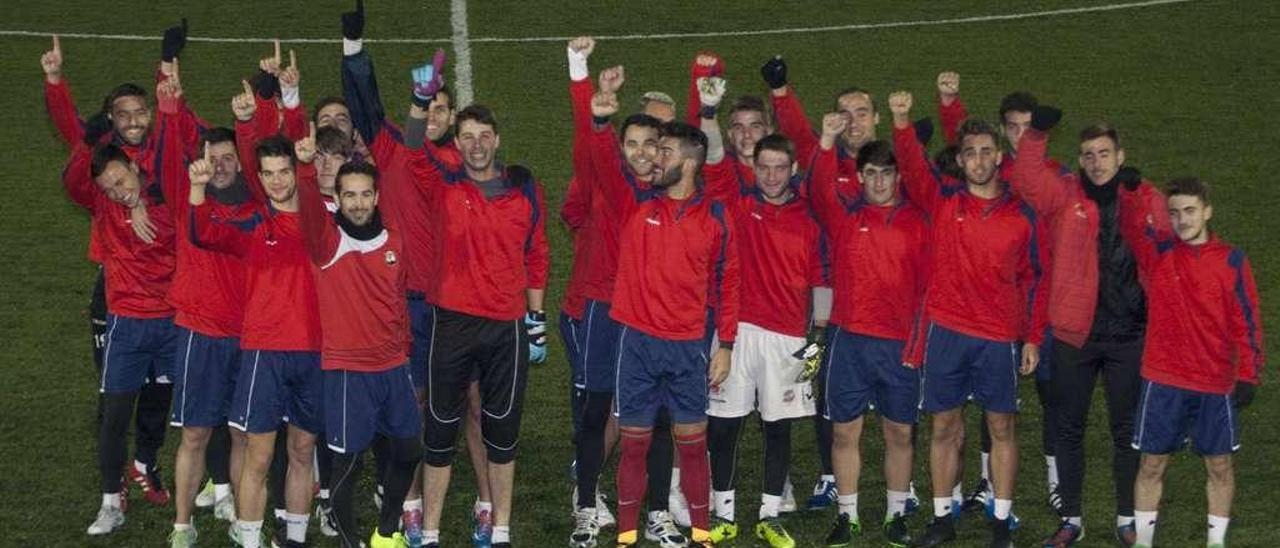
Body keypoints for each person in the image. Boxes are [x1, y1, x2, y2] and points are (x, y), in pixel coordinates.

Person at [43, 29, 198, 513]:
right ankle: (114, 487)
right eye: (123, 116)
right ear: (110, 121)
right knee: (115, 398)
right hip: (118, 294)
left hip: (169, 297)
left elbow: (172, 159)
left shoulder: (156, 156)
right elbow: (77, 157)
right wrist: (55, 84)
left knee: (159, 393)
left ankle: (145, 464)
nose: (133, 122)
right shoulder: (101, 167)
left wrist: (166, 65)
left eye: (140, 113)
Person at [890, 91, 1049, 548]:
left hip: (998, 337)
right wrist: (901, 122)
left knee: (1002, 427)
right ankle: (943, 518)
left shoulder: (1022, 216)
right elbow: (914, 167)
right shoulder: (943, 201)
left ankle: (1001, 519)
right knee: (944, 427)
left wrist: (1034, 338)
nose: (978, 161)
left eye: (985, 152)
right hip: (946, 332)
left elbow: (1036, 279)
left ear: (999, 156)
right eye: (969, 153)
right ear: (959, 160)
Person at [592, 75, 740, 546]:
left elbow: (729, 283)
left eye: (666, 153)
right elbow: (597, 157)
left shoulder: (716, 216)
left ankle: (700, 534)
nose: (655, 158)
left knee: (693, 446)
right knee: (634, 445)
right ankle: (629, 536)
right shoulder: (637, 201)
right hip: (636, 342)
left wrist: (727, 346)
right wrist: (597, 117)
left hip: (688, 347)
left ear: (691, 165)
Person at [405, 67, 550, 545]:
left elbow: (537, 252)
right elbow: (411, 148)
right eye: (467, 137)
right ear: (458, 143)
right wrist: (418, 100)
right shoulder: (445, 186)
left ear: (497, 139)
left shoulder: (524, 188)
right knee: (441, 431)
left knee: (502, 435)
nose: (476, 144)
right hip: (453, 323)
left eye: (484, 135)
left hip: (506, 329)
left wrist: (536, 320)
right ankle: (429, 532)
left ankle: (501, 528)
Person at [695, 75, 826, 548]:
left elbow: (821, 283)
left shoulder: (808, 220)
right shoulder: (737, 200)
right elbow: (711, 157)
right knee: (724, 426)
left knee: (778, 430)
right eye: (764, 167)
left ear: (793, 170)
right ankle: (725, 513)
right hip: (737, 332)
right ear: (755, 169)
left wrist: (816, 345)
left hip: (791, 341)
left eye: (779, 167)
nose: (771, 175)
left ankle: (770, 515)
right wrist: (708, 115)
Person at [1011, 108, 1150, 546]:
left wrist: (1142, 198)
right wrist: (1035, 133)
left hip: (1129, 334)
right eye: (1088, 154)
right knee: (1068, 428)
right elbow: (1025, 179)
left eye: (1104, 153)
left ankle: (1127, 518)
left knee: (1125, 430)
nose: (1096, 162)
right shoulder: (1064, 194)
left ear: (1120, 155)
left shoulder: (1143, 196)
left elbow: (1169, 248)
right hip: (1075, 334)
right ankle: (1071, 518)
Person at [564, 43, 682, 548]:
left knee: (655, 416)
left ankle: (657, 513)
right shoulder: (618, 186)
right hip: (603, 312)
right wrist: (592, 106)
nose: (638, 152)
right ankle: (586, 508)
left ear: (661, 149)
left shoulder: (673, 193)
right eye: (629, 143)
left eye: (648, 144)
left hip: (651, 316)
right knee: (596, 411)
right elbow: (590, 150)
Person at [1118, 176, 1263, 548]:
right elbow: (1134, 228)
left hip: (1214, 381)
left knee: (1219, 466)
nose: (1183, 220)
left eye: (1190, 211)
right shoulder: (1159, 253)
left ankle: (1216, 544)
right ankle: (1144, 542)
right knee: (1151, 464)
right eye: (1175, 213)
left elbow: (1246, 320)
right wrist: (1133, 194)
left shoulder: (1232, 260)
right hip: (1163, 379)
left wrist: (1247, 373)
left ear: (1207, 211)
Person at [294, 126, 423, 547]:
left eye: (366, 194)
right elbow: (310, 210)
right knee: (347, 464)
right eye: (349, 195)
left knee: (407, 449)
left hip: (392, 366)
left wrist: (402, 348)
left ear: (377, 196)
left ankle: (386, 533)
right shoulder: (328, 242)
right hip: (349, 370)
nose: (358, 202)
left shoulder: (395, 241)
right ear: (340, 199)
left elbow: (397, 300)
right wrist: (305, 167)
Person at [194, 135, 324, 548]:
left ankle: (296, 540)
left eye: (284, 171)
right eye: (267, 174)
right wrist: (197, 190)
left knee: (303, 451)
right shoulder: (253, 222)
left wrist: (305, 168)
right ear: (260, 177)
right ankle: (249, 541)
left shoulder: (320, 220)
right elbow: (204, 235)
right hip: (264, 354)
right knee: (259, 456)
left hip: (313, 352)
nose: (276, 181)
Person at [808, 111, 931, 548]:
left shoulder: (919, 223)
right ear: (860, 177)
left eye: (886, 174)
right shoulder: (845, 220)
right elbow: (817, 189)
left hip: (900, 345)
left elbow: (928, 290)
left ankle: (897, 515)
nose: (878, 182)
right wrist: (825, 141)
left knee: (899, 432)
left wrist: (919, 343)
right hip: (850, 342)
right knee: (845, 431)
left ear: (898, 177)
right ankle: (848, 515)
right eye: (871, 174)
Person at [166, 128, 257, 547]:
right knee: (195, 435)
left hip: (247, 336)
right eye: (212, 158)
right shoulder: (186, 196)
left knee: (242, 435)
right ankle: (182, 525)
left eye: (227, 157)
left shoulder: (258, 205)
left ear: (240, 162)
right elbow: (168, 139)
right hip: (200, 334)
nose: (219, 165)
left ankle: (242, 517)